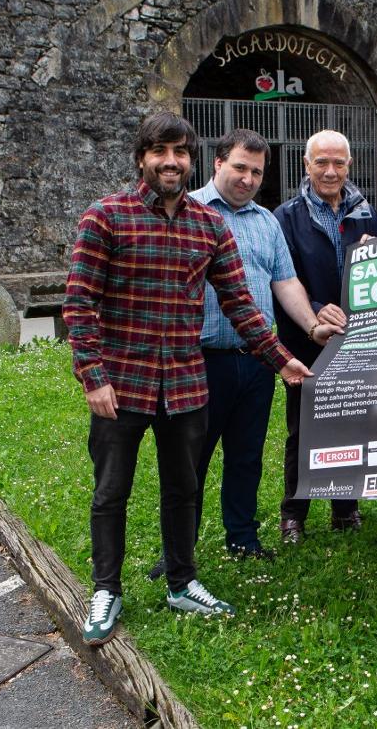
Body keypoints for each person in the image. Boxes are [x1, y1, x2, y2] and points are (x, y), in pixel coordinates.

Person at [64, 111, 313, 647]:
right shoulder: (106, 216)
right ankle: (106, 589)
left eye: (179, 153)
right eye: (160, 152)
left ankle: (182, 581)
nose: (171, 162)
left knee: (182, 489)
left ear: (191, 160)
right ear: (142, 158)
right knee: (111, 491)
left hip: (183, 382)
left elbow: (241, 305)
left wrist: (278, 357)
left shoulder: (210, 227)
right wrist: (93, 375)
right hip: (121, 384)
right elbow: (79, 303)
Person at [141, 129, 338, 574]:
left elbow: (285, 282)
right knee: (189, 461)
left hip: (254, 360)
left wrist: (310, 326)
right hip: (197, 359)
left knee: (246, 456)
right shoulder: (186, 211)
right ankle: (178, 550)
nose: (248, 179)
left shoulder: (266, 222)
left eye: (257, 172)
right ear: (217, 164)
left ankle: (243, 538)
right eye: (240, 168)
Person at [274, 129, 377, 544]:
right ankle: (294, 514)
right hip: (305, 340)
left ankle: (345, 508)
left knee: (351, 422)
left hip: (356, 340)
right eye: (321, 162)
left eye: (339, 162)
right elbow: (283, 277)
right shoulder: (285, 217)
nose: (330, 170)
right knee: (302, 429)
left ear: (350, 165)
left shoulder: (366, 215)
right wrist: (318, 307)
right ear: (306, 165)